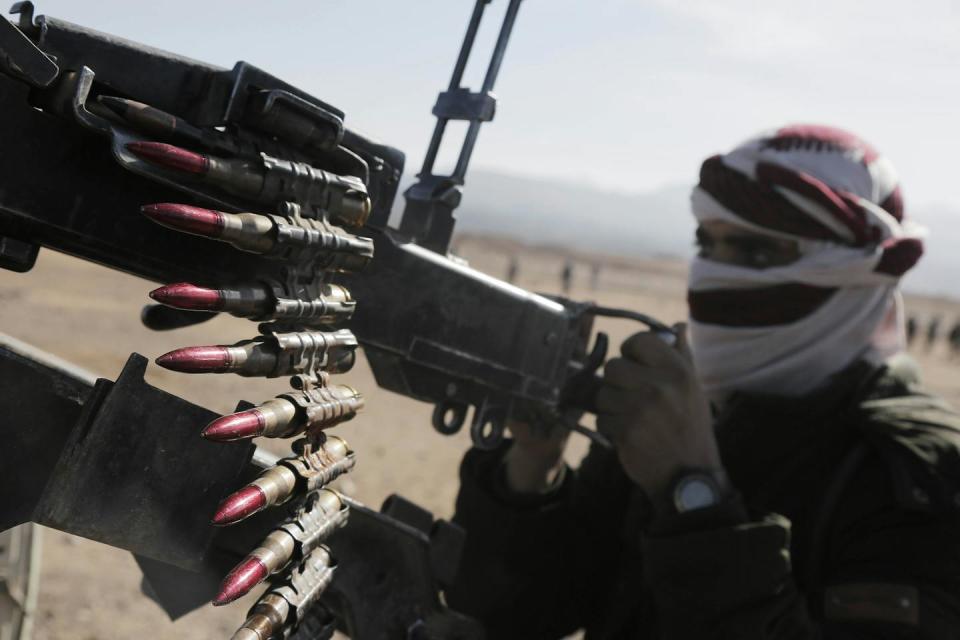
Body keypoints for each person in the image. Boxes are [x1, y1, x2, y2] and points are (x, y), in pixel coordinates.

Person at [448, 125, 960, 638]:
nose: (714, 273)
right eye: (706, 243)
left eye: (755, 252)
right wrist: (533, 465)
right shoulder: (677, 403)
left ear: (859, 271)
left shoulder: (920, 474)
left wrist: (693, 496)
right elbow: (517, 613)